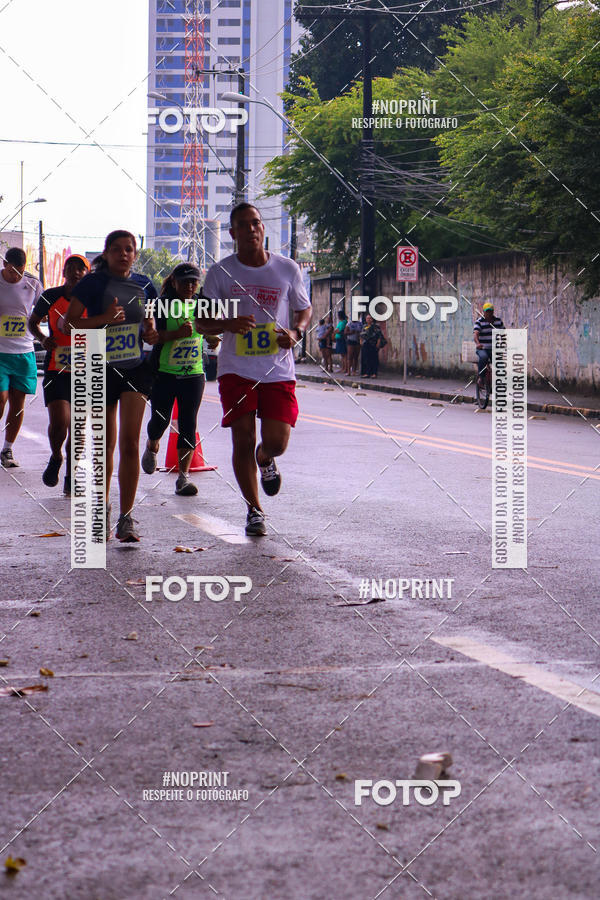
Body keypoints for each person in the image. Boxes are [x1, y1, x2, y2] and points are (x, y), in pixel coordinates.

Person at [199, 202, 312, 536]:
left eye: (257, 223)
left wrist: (296, 331)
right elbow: (202, 321)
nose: (252, 229)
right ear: (232, 233)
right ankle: (254, 510)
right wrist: (228, 323)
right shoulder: (220, 273)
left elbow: (303, 309)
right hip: (236, 369)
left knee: (276, 442)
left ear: (264, 229)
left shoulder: (287, 269)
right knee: (243, 437)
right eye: (244, 225)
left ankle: (266, 458)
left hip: (277, 368)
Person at [66, 230, 158, 543]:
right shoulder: (92, 283)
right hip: (99, 367)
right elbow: (70, 323)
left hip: (135, 369)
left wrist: (151, 333)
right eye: (116, 249)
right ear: (106, 253)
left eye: (129, 249)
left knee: (130, 442)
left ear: (135, 253)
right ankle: (102, 508)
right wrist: (103, 318)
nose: (123, 254)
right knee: (106, 444)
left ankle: (126, 517)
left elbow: (150, 324)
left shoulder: (146, 285)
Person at [141, 262, 215, 497]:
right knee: (160, 421)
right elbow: (153, 337)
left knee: (188, 423)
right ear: (174, 282)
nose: (190, 286)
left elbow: (207, 327)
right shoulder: (162, 305)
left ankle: (183, 477)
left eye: (194, 281)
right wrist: (176, 334)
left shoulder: (202, 304)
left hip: (193, 373)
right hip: (164, 373)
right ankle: (152, 444)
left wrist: (213, 337)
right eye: (185, 282)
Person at [28, 254, 91, 495]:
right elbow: (32, 322)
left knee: (77, 426)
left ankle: (72, 475)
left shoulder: (93, 299)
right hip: (57, 368)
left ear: (86, 273)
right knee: (60, 423)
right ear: (64, 272)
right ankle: (56, 456)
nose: (75, 273)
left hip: (85, 369)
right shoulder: (51, 296)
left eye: (80, 269)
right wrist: (44, 339)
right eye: (71, 268)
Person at [0, 247, 43, 468]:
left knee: (18, 404)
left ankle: (7, 449)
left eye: (20, 270)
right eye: (11, 270)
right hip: (0, 353)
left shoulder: (33, 284)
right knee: (1, 399)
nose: (15, 275)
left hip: (24, 352)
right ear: (5, 264)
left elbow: (44, 311)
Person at [473, 301, 504, 382]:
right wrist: (478, 343)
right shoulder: (479, 322)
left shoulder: (498, 321)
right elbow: (476, 334)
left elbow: (504, 333)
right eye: (487, 311)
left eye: (490, 311)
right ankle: (481, 377)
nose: (489, 313)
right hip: (482, 348)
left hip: (494, 349)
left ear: (493, 312)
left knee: (500, 365)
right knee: (484, 357)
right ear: (484, 312)